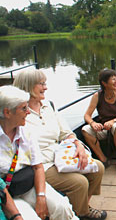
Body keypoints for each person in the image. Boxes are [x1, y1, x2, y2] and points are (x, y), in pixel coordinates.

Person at [13, 70, 107, 220]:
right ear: (28, 86)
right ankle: (81, 214)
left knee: (98, 168)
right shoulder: (18, 113)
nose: (46, 88)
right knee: (79, 183)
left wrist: (79, 146)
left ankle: (82, 208)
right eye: (41, 84)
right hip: (40, 164)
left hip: (59, 155)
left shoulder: (48, 105)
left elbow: (66, 132)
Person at [0, 85, 78, 220]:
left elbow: (38, 167)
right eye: (24, 108)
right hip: (8, 194)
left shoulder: (26, 132)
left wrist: (41, 196)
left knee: (62, 208)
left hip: (30, 186)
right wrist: (16, 216)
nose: (28, 112)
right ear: (7, 113)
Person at [82, 69, 116, 176]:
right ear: (104, 83)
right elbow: (87, 115)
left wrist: (112, 121)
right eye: (113, 79)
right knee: (85, 130)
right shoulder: (97, 96)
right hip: (104, 128)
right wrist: (93, 123)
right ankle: (103, 159)